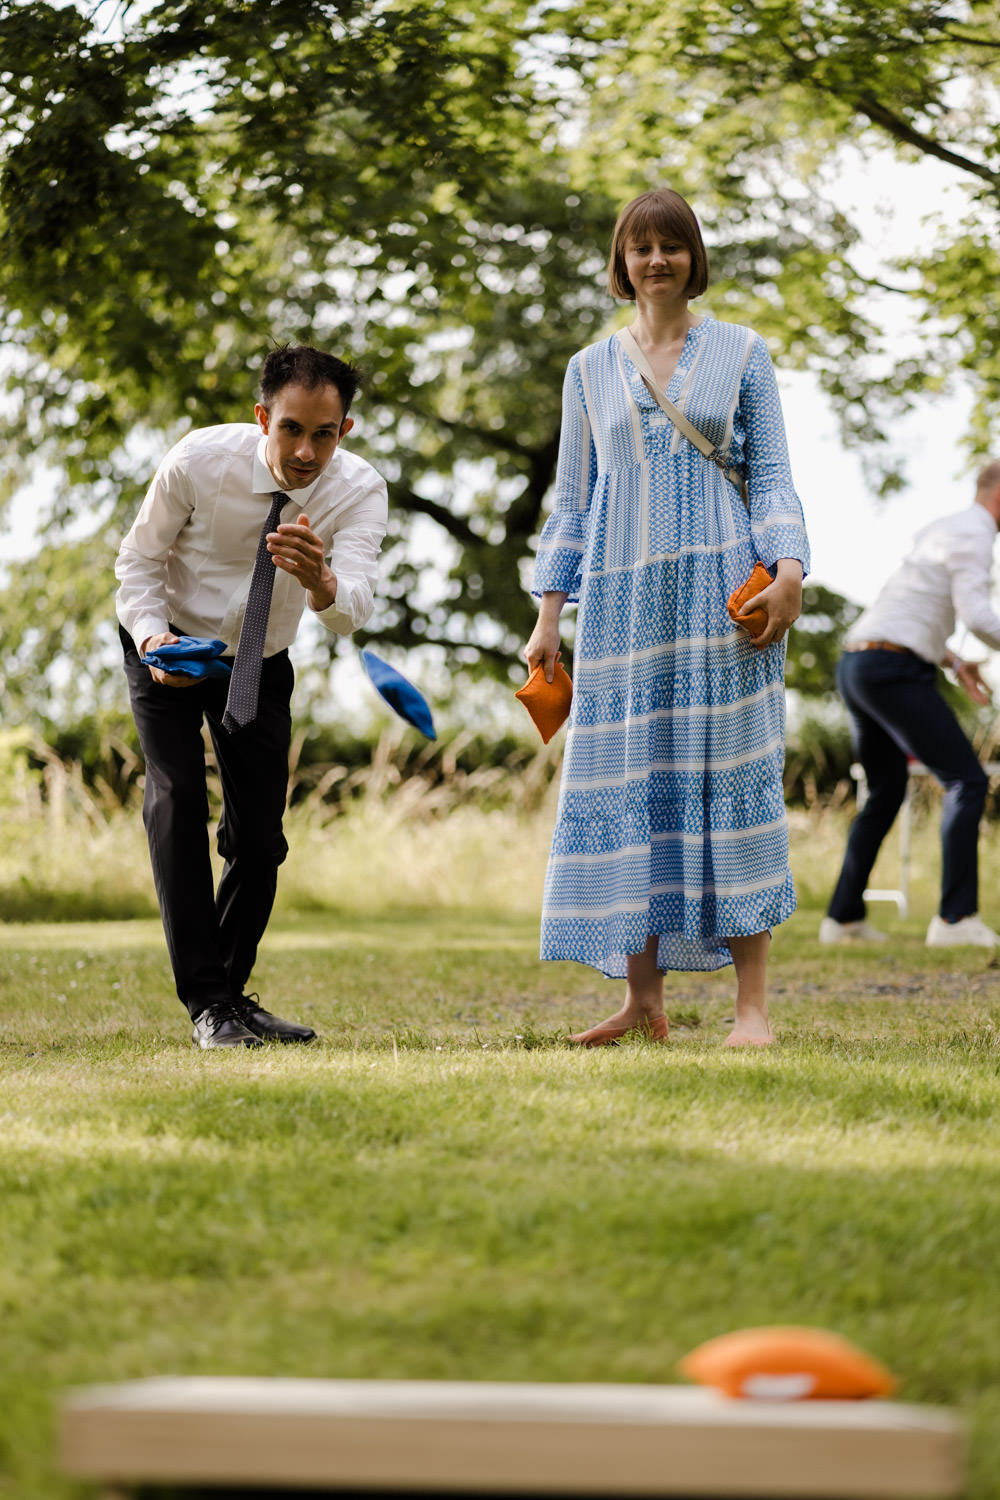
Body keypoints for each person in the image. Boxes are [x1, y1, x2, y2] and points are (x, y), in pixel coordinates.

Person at [524, 188, 809, 1047]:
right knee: (628, 784)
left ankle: (750, 1009)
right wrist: (547, 617)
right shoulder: (587, 370)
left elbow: (776, 481)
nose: (656, 260)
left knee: (729, 784)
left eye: (672, 245)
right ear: (622, 261)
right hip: (619, 607)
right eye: (640, 247)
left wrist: (790, 572)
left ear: (694, 258)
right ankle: (643, 1002)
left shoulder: (743, 352)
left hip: (725, 601)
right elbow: (571, 503)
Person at [115, 345, 388, 1048]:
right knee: (175, 800)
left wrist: (324, 584)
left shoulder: (357, 491)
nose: (305, 451)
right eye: (291, 429)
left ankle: (231, 998)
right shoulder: (197, 461)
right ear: (262, 416)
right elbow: (139, 562)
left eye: (324, 434)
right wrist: (152, 642)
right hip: (171, 645)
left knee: (260, 840)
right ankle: (209, 1003)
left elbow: (352, 605)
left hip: (260, 659)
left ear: (345, 431)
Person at [820, 461, 1000, 948]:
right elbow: (979, 615)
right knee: (967, 779)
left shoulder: (945, 529)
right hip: (890, 670)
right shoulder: (975, 535)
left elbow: (908, 612)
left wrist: (954, 659)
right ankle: (956, 920)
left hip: (859, 664)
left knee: (885, 789)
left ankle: (842, 918)